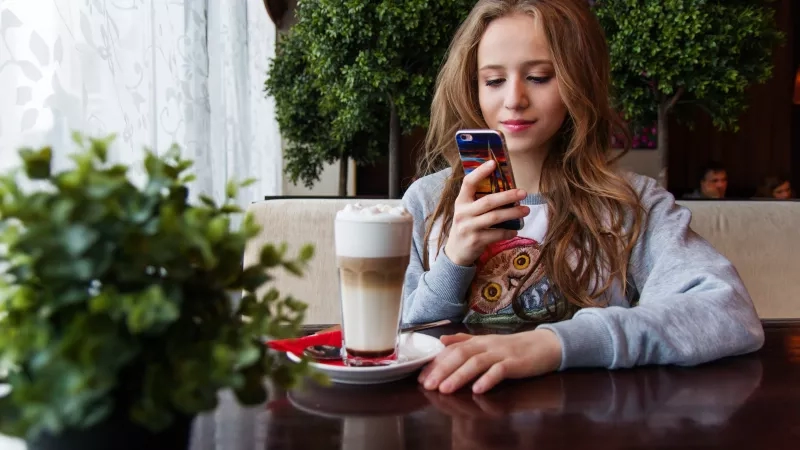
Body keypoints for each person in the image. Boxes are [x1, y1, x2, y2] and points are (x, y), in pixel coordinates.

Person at [400, 0, 763, 395]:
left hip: (591, 419)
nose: (514, 99)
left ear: (580, 81)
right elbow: (387, 336)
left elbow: (729, 313)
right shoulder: (426, 202)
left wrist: (555, 344)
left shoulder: (631, 204)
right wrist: (453, 263)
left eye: (539, 77)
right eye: (493, 80)